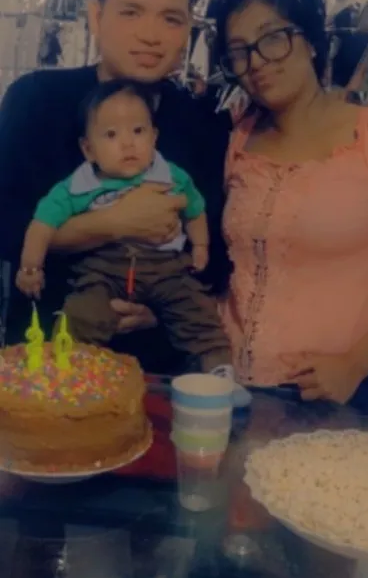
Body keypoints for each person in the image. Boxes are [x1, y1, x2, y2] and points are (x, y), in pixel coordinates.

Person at [0, 0, 232, 372]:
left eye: (171, 18)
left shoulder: (203, 123)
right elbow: (5, 225)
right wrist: (111, 224)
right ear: (96, 13)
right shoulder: (35, 100)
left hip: (161, 368)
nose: (150, 35)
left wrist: (159, 304)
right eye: (131, 12)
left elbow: (217, 254)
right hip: (48, 364)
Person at [214, 0, 368, 410]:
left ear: (312, 43)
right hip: (236, 393)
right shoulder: (239, 140)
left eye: (273, 38)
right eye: (239, 52)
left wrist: (356, 363)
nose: (257, 62)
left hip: (339, 394)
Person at [16, 79, 232, 374]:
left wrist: (201, 246)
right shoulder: (78, 186)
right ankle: (69, 370)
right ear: (89, 149)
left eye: (138, 131)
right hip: (104, 269)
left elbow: (194, 208)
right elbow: (42, 225)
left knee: (197, 312)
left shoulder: (170, 175)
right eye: (111, 134)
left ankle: (217, 370)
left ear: (154, 137)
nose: (128, 143)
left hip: (167, 268)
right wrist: (31, 268)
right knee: (83, 314)